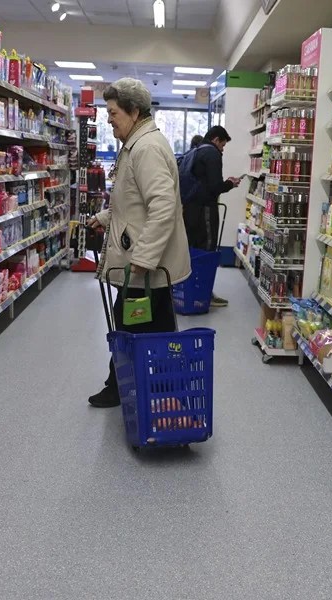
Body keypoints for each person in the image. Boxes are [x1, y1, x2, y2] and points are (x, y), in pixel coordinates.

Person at [87, 78, 191, 408]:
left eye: (113, 112)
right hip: (145, 265)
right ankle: (161, 390)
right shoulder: (138, 144)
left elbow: (163, 206)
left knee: (130, 327)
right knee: (151, 329)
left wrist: (144, 258)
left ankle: (129, 388)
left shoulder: (145, 149)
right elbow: (133, 201)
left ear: (133, 112)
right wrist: (105, 218)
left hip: (145, 268)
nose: (108, 119)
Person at [179, 125, 243, 307]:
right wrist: (230, 183)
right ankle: (204, 293)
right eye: (223, 145)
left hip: (190, 210)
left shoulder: (196, 150)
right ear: (216, 140)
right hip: (204, 211)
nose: (222, 149)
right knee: (206, 252)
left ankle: (189, 289)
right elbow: (215, 187)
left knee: (192, 250)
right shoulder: (212, 154)